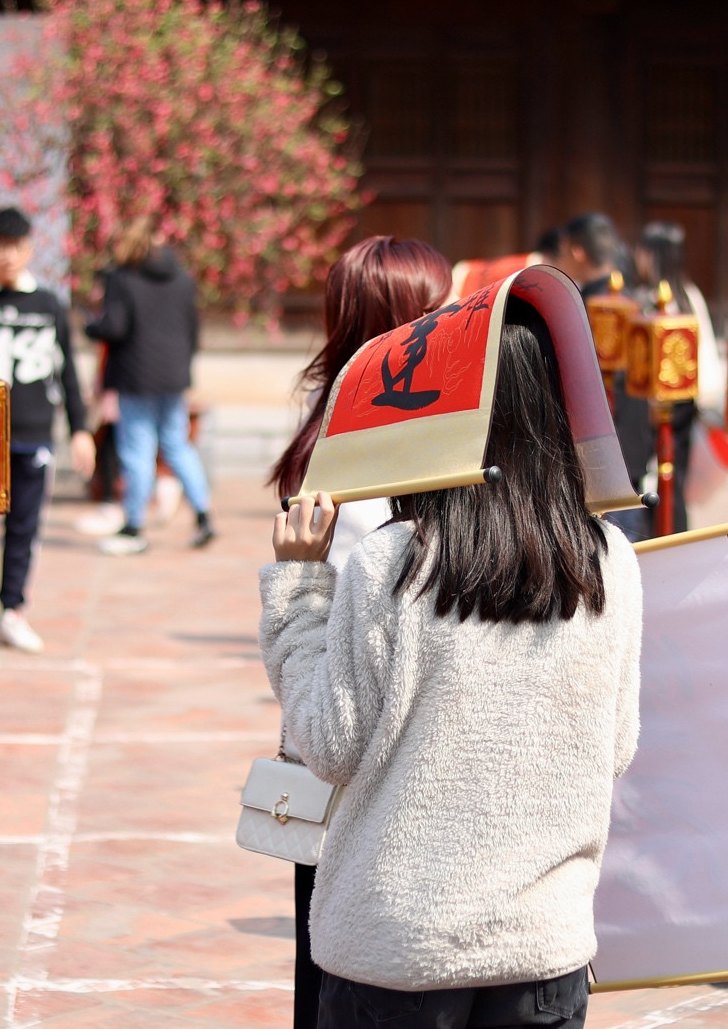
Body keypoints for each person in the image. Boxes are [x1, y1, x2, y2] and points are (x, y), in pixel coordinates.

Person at [262, 298, 641, 1028]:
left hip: (400, 948)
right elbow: (616, 747)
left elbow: (330, 744)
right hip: (543, 946)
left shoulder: (393, 562)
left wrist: (298, 589)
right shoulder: (609, 561)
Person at [268, 232, 452, 1029]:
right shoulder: (366, 446)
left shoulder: (341, 422)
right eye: (438, 311)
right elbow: (351, 607)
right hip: (372, 745)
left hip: (352, 733)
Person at [0, 208, 95, 652]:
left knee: (24, 527)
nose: (7, 255)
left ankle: (13, 610)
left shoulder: (49, 305)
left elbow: (66, 372)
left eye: (16, 245)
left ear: (29, 248)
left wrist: (80, 429)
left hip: (33, 432)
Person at [84, 217, 212, 555]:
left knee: (137, 450)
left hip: (135, 375)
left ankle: (133, 526)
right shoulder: (183, 279)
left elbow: (115, 326)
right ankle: (203, 515)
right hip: (173, 376)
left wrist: (90, 326)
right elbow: (193, 330)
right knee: (177, 445)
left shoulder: (121, 278)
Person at [560, 211, 653, 540]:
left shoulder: (578, 307)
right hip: (635, 447)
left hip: (596, 454)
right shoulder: (640, 303)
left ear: (576, 251)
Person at [635, 220, 712, 531]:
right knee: (672, 478)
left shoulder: (653, 300)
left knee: (659, 477)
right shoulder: (690, 296)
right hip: (684, 402)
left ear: (651, 255)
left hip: (656, 405)